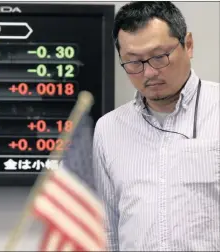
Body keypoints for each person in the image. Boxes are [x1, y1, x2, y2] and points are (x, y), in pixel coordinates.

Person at [93, 1, 219, 251]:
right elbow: (108, 230)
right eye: (133, 62)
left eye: (159, 57)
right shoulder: (108, 129)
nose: (149, 73)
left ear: (188, 45)